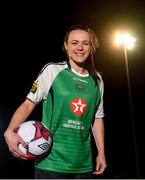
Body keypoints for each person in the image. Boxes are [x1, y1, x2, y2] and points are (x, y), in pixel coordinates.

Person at [4, 24, 107, 179]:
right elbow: (28, 104)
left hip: (84, 164)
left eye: (85, 43)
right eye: (74, 42)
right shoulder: (52, 70)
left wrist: (101, 153)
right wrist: (10, 130)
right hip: (51, 162)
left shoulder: (97, 81)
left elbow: (97, 118)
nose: (80, 47)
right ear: (66, 46)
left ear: (92, 47)